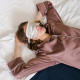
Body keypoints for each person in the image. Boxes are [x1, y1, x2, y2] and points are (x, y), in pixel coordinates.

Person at [7, 1, 80, 79]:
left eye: (33, 25)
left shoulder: (53, 25)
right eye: (32, 30)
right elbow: (19, 72)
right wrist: (18, 46)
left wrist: (36, 22)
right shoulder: (46, 54)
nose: (37, 27)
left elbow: (47, 5)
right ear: (32, 40)